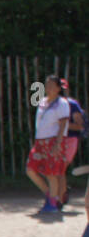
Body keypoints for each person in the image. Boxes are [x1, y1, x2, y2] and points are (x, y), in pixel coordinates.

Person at [26, 74, 69, 214]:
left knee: (51, 173)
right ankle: (51, 196)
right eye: (47, 84)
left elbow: (63, 124)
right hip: (41, 141)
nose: (48, 88)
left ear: (58, 88)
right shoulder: (43, 102)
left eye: (51, 85)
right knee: (30, 170)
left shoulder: (62, 103)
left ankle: (52, 204)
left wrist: (58, 143)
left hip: (53, 141)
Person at [60, 79, 85, 206]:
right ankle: (61, 193)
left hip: (69, 140)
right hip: (54, 141)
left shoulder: (72, 105)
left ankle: (61, 197)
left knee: (60, 167)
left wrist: (64, 125)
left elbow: (80, 126)